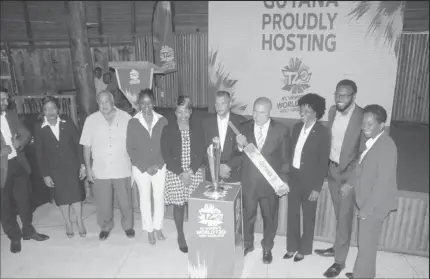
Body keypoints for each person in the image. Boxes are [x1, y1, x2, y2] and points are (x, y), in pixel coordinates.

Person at [315, 79, 365, 278]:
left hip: (348, 175)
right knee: (339, 214)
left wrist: (351, 181)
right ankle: (337, 247)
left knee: (344, 217)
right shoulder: (333, 111)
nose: (340, 98)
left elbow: (363, 153)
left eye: (345, 95)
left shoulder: (362, 117)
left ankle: (339, 262)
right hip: (333, 171)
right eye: (337, 94)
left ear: (354, 96)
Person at [344, 105, 398, 279]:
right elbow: (361, 168)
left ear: (382, 124)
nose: (365, 127)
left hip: (375, 205)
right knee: (366, 245)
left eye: (370, 123)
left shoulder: (386, 146)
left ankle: (362, 275)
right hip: (369, 202)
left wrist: (367, 209)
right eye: (363, 123)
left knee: (366, 245)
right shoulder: (374, 141)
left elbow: (383, 182)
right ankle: (363, 273)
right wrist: (351, 183)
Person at [235, 97, 289, 264]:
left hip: (270, 185)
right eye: (255, 111)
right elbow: (236, 156)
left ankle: (267, 247)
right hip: (250, 182)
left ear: (269, 112)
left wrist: (283, 181)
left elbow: (286, 159)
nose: (257, 116)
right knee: (247, 216)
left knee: (269, 218)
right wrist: (238, 146)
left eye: (262, 112)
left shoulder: (281, 130)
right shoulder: (243, 129)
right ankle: (248, 244)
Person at [80, 90, 135, 241]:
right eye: (100, 102)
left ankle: (128, 226)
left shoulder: (126, 118)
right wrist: (88, 167)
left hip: (122, 167)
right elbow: (86, 146)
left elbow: (134, 143)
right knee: (103, 202)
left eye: (106, 102)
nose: (103, 105)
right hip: (101, 169)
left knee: (125, 201)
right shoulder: (91, 120)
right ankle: (105, 226)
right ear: (97, 103)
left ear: (113, 101)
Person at [0, 89, 49, 253]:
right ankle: (14, 235)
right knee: (5, 205)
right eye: (2, 100)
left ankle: (28, 230)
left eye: (6, 99)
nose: (6, 103)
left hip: (19, 164)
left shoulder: (10, 115)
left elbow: (26, 133)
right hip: (1, 169)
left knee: (25, 200)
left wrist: (18, 143)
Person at [283, 93, 330, 262]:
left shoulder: (322, 132)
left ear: (316, 112)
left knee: (308, 216)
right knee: (292, 214)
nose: (303, 113)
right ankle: (291, 247)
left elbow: (323, 162)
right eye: (301, 109)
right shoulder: (296, 128)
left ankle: (304, 248)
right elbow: (290, 152)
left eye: (307, 111)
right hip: (294, 178)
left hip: (310, 181)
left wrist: (317, 188)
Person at [34, 96, 87, 238]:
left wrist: (82, 165)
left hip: (72, 165)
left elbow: (77, 144)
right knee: (62, 197)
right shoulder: (39, 127)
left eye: (53, 108)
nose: (50, 112)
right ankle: (68, 222)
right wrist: (44, 174)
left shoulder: (67, 122)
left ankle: (80, 222)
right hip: (54, 169)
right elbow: (39, 154)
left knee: (76, 195)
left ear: (58, 109)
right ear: (42, 111)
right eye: (46, 109)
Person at [161, 96, 205, 253]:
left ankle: (194, 232)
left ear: (191, 112)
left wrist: (191, 171)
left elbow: (200, 153)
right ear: (175, 112)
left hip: (194, 171)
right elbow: (166, 154)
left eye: (186, 111)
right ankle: (180, 235)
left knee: (193, 205)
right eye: (180, 111)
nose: (183, 115)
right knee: (179, 205)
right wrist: (182, 173)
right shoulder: (168, 129)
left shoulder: (197, 128)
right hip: (175, 172)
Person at [126, 89, 168, 245]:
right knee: (145, 199)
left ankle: (158, 227)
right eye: (142, 103)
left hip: (159, 166)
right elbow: (130, 148)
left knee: (158, 198)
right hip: (140, 167)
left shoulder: (163, 120)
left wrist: (158, 164)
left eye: (149, 103)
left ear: (154, 103)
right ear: (139, 104)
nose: (146, 106)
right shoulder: (133, 122)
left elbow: (166, 145)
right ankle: (149, 230)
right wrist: (145, 166)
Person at [202, 91, 246, 182]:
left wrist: (229, 166)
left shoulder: (241, 122)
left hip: (234, 174)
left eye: (223, 103)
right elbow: (201, 148)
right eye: (217, 104)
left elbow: (245, 150)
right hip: (212, 175)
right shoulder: (206, 122)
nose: (219, 107)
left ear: (230, 104)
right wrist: (216, 167)